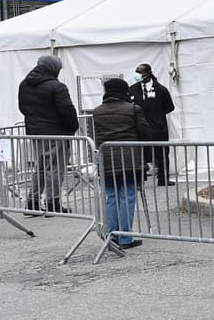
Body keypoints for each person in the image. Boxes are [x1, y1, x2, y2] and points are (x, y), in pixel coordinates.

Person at [92, 78, 152, 249]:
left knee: (111, 197)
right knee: (128, 197)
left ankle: (112, 235)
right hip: (130, 159)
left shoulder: (97, 112)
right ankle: (125, 237)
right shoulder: (133, 109)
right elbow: (145, 133)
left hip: (107, 159)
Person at [18, 54, 80, 215]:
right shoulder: (57, 86)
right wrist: (73, 126)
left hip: (35, 132)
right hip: (56, 132)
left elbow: (22, 108)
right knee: (54, 168)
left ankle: (33, 202)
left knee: (40, 167)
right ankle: (53, 202)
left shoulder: (24, 84)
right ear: (53, 68)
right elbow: (67, 110)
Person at [128, 63, 176, 185]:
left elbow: (169, 107)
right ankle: (140, 178)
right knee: (140, 153)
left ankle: (163, 178)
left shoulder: (161, 90)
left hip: (158, 127)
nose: (137, 75)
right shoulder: (132, 90)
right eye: (136, 72)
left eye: (140, 73)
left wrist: (157, 116)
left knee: (162, 153)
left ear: (148, 73)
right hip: (139, 127)